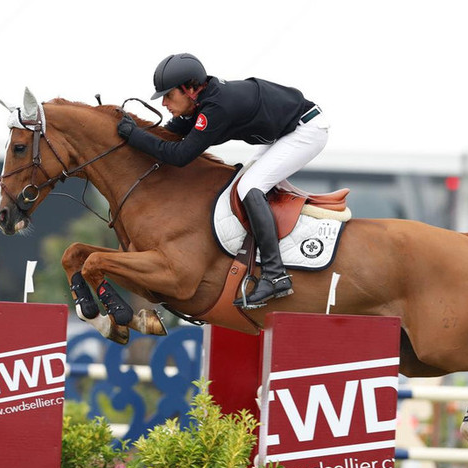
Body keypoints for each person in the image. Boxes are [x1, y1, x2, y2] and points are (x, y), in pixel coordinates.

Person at [117, 53, 329, 307]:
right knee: (242, 185)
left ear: (191, 89)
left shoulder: (217, 109)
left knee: (250, 186)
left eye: (169, 95)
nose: (164, 103)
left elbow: (180, 155)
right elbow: (169, 133)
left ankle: (275, 274)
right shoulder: (202, 101)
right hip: (284, 133)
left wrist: (135, 137)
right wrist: (133, 133)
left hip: (306, 130)